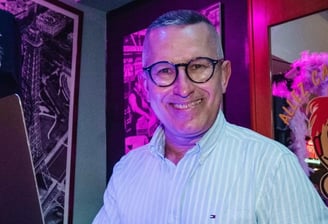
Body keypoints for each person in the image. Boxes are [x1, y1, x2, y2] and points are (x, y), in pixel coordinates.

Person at [93, 9, 328, 223]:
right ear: (146, 86)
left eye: (198, 66)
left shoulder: (272, 166)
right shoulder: (126, 171)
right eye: (164, 70)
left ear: (224, 76)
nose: (183, 88)